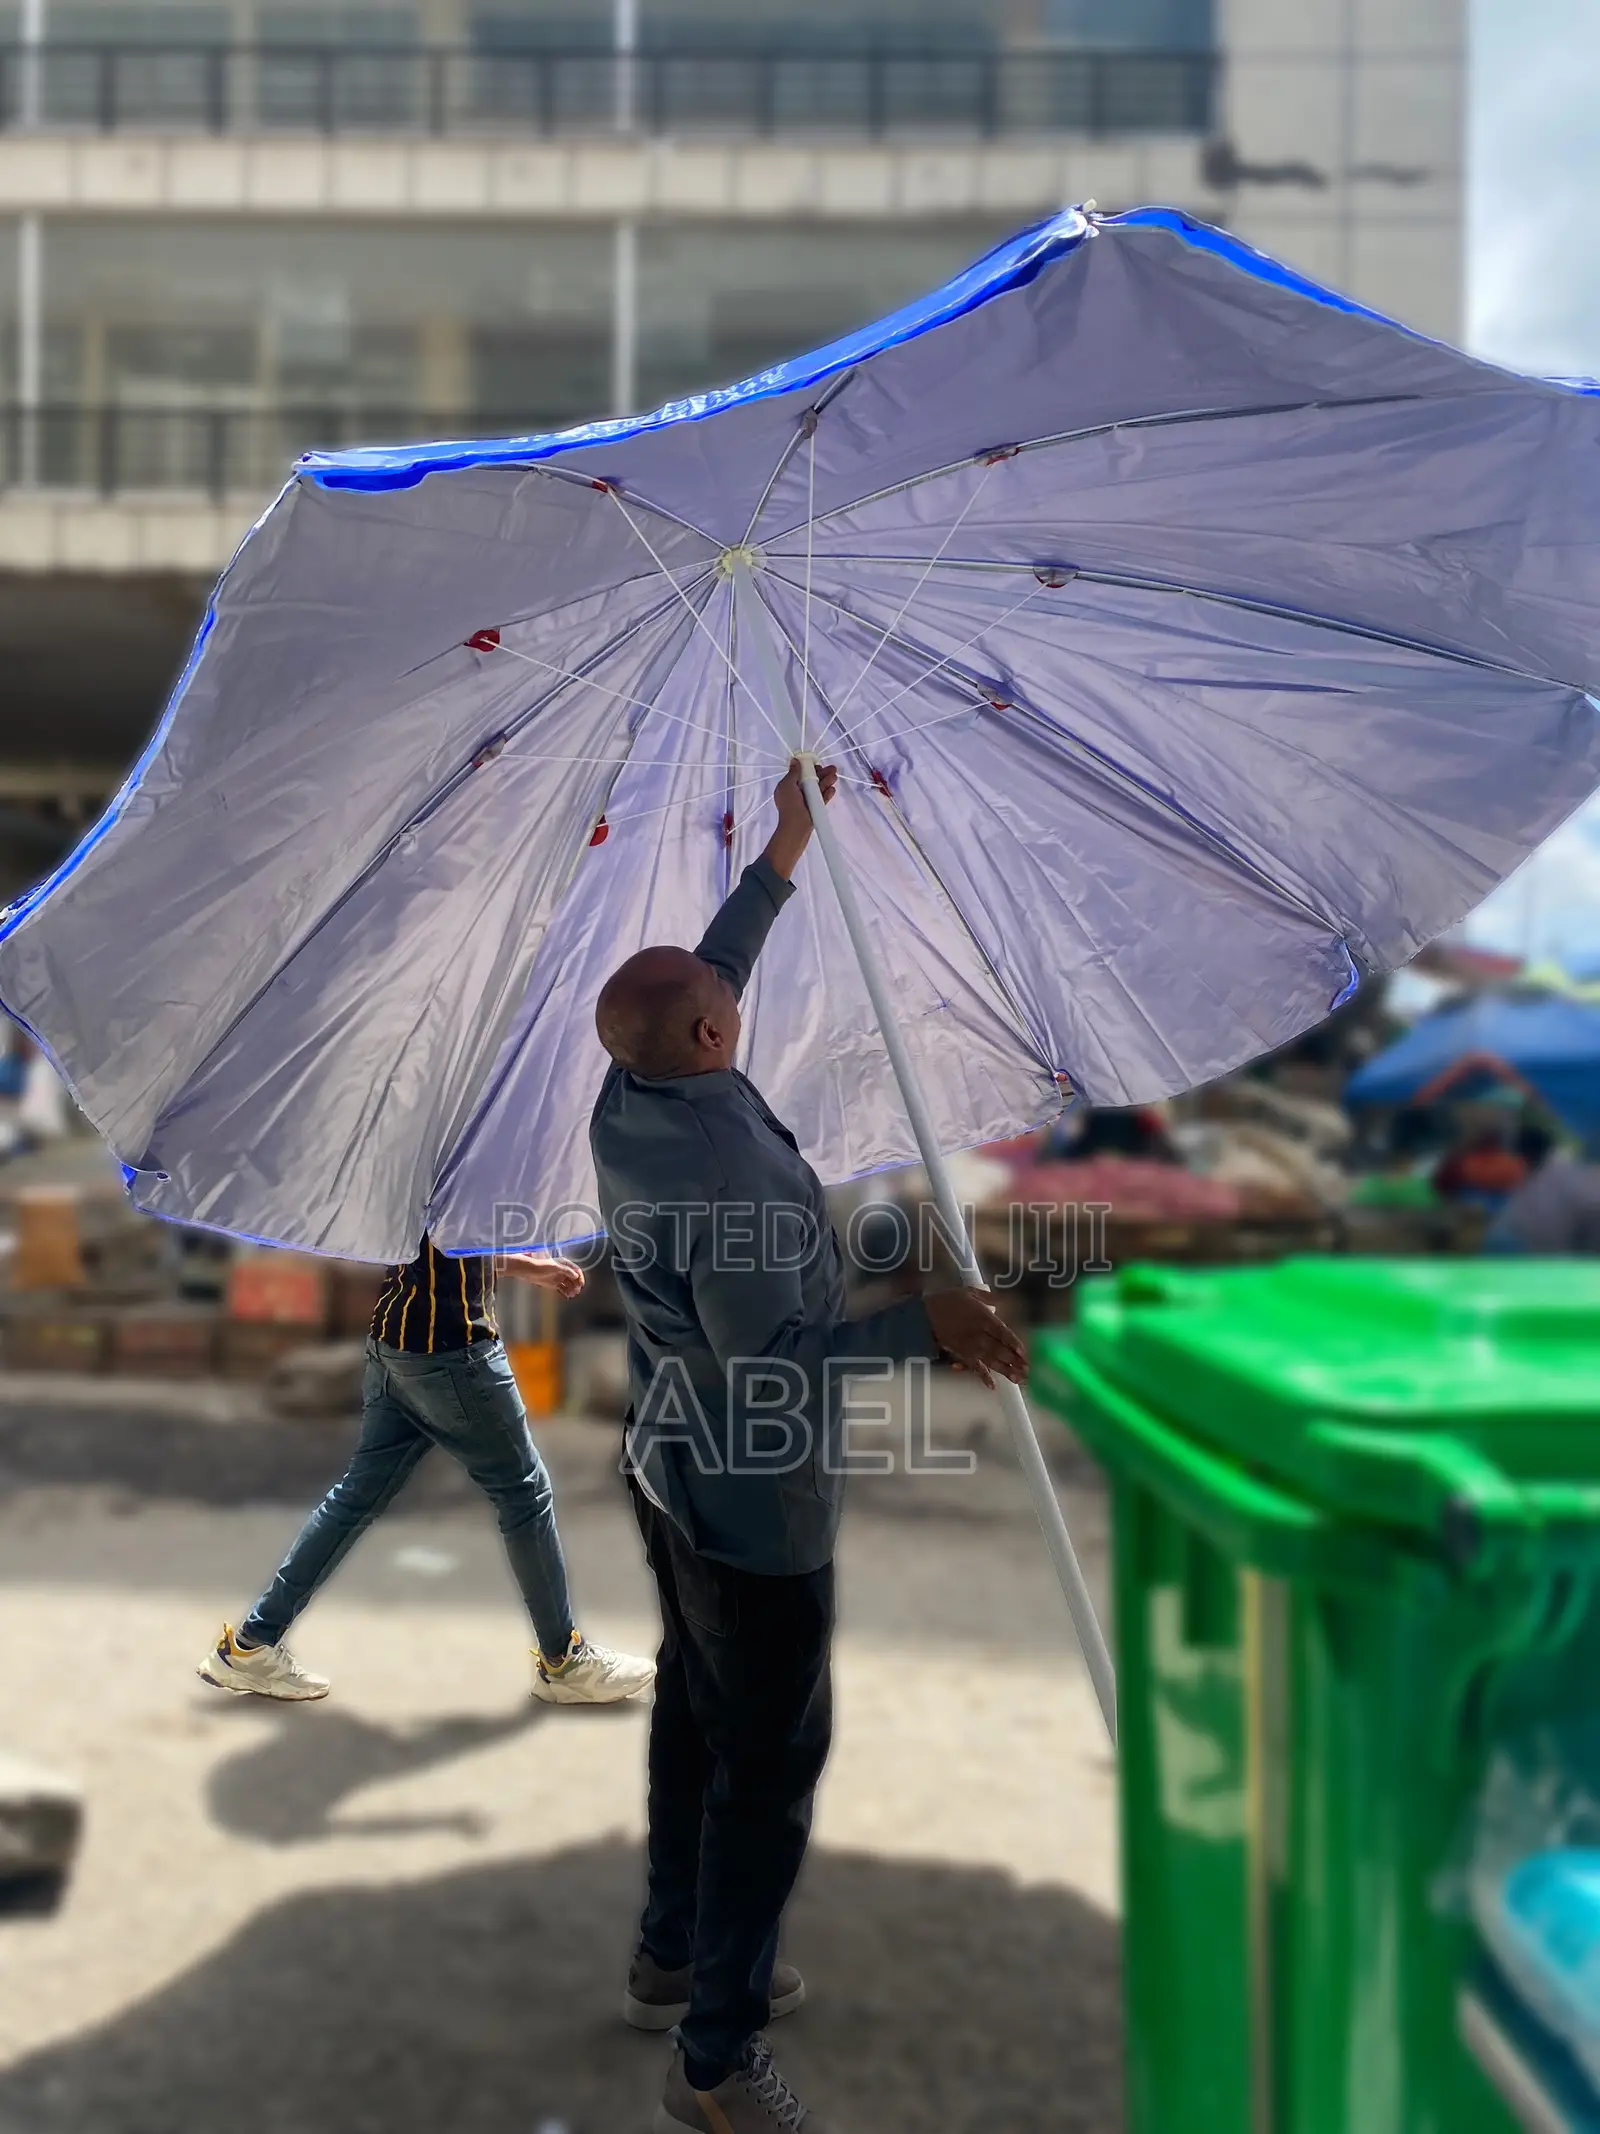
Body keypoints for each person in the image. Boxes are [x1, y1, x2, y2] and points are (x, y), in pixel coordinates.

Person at [592, 760, 1028, 2134]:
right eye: (728, 1006)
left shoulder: (637, 1089)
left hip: (665, 1460)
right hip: (746, 1500)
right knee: (766, 1765)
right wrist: (931, 1324)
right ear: (717, 1035)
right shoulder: (720, 1170)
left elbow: (703, 975)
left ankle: (672, 1950)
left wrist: (782, 852)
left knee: (693, 1702)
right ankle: (714, 2055)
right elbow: (769, 1369)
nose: (736, 1002)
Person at [199, 1239, 655, 1707]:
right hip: (453, 1351)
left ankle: (251, 1645)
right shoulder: (460, 1165)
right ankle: (564, 1661)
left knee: (357, 1496)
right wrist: (522, 1263)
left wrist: (524, 1268)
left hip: (393, 1344)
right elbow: (457, 1237)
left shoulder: (414, 1166)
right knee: (524, 1493)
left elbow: (444, 1243)